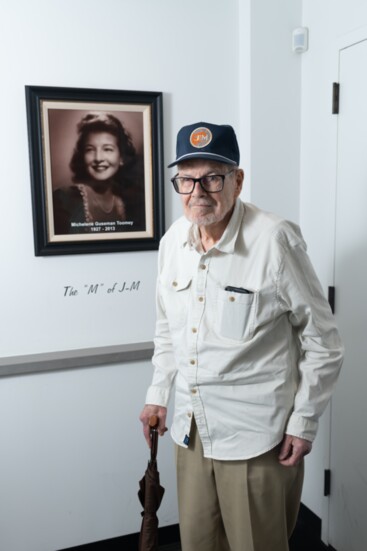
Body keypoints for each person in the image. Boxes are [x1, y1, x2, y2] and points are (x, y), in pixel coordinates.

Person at [139, 122, 343, 551]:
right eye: (187, 179)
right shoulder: (173, 241)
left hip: (257, 440)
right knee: (197, 544)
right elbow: (167, 329)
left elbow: (323, 340)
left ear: (237, 179)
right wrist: (157, 393)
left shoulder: (275, 239)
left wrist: (303, 422)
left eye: (212, 177)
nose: (198, 191)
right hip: (190, 431)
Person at [53, 112, 146, 234]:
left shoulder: (128, 204)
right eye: (90, 149)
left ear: (121, 157)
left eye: (107, 149)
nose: (98, 158)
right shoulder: (64, 199)